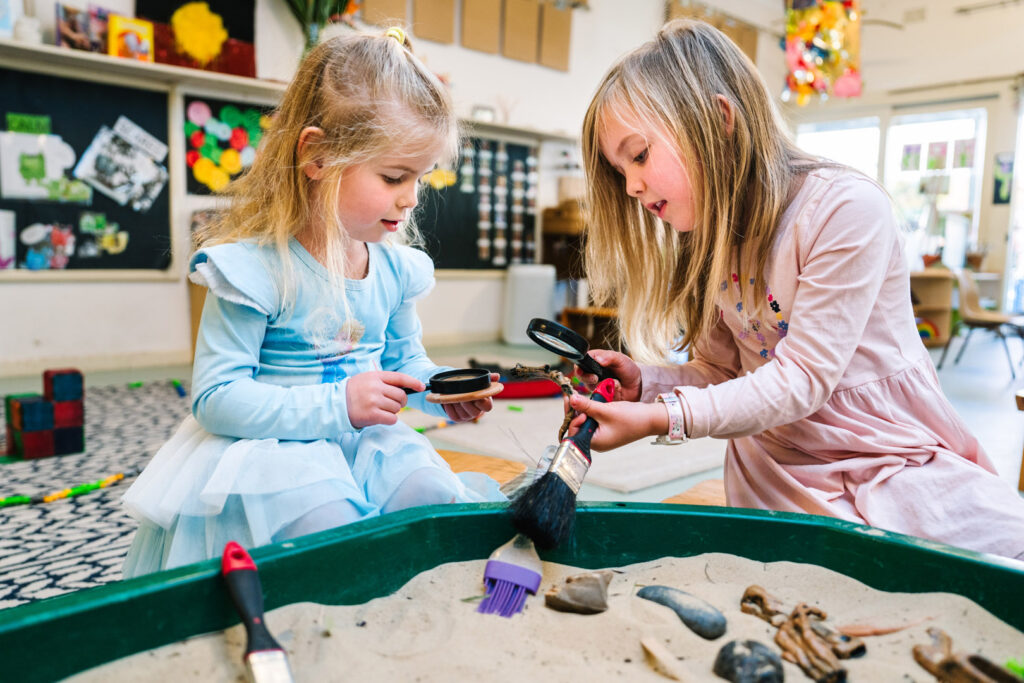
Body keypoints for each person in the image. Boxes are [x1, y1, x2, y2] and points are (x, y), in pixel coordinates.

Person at [566, 19, 1024, 560]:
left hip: (883, 455)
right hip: (776, 465)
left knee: (1000, 551)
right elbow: (723, 372)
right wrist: (647, 382)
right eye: (621, 171)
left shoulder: (845, 208)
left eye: (638, 156)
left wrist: (664, 417)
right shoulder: (707, 234)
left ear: (719, 120)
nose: (632, 185)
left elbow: (803, 378)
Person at [121, 28, 504, 577]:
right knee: (331, 537)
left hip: (368, 442)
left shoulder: (394, 267)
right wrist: (337, 406)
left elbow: (403, 366)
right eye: (394, 176)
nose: (412, 196)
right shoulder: (254, 269)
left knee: (429, 504)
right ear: (317, 155)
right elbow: (217, 397)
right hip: (275, 450)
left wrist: (439, 392)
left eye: (420, 177)